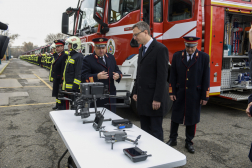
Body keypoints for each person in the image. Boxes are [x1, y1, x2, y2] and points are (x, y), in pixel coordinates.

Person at [166, 36, 210, 154]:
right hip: (179, 93)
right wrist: (172, 92)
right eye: (187, 47)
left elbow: (206, 78)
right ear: (184, 45)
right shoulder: (177, 56)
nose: (190, 50)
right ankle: (172, 139)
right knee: (175, 117)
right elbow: (173, 76)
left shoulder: (204, 57)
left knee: (192, 118)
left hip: (195, 94)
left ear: (196, 46)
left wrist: (205, 96)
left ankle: (189, 142)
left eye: (192, 47)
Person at [132, 21, 168, 141]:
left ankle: (160, 157)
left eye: (136, 34)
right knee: (145, 132)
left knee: (156, 132)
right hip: (143, 99)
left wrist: (157, 98)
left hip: (154, 100)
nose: (135, 38)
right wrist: (135, 91)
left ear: (145, 32)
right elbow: (139, 73)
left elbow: (162, 77)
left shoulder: (160, 49)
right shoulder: (141, 50)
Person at [81, 38, 122, 113]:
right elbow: (83, 77)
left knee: (111, 116)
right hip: (97, 97)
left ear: (106, 47)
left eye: (103, 48)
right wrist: (96, 76)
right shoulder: (88, 59)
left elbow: (117, 70)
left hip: (111, 95)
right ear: (95, 48)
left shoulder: (111, 57)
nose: (101, 50)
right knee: (98, 118)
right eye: (99, 48)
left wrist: (118, 75)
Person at [62, 36, 83, 109]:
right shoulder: (71, 56)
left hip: (74, 90)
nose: (68, 45)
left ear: (75, 45)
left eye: (70, 44)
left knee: (76, 107)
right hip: (69, 88)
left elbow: (78, 74)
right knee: (72, 106)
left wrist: (75, 88)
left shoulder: (78, 57)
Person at [51, 40, 68, 110]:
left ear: (62, 47)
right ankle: (57, 104)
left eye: (58, 47)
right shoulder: (56, 55)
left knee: (61, 93)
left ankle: (61, 107)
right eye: (56, 47)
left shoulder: (64, 56)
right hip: (56, 78)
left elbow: (63, 69)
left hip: (60, 78)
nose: (57, 48)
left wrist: (62, 81)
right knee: (57, 93)